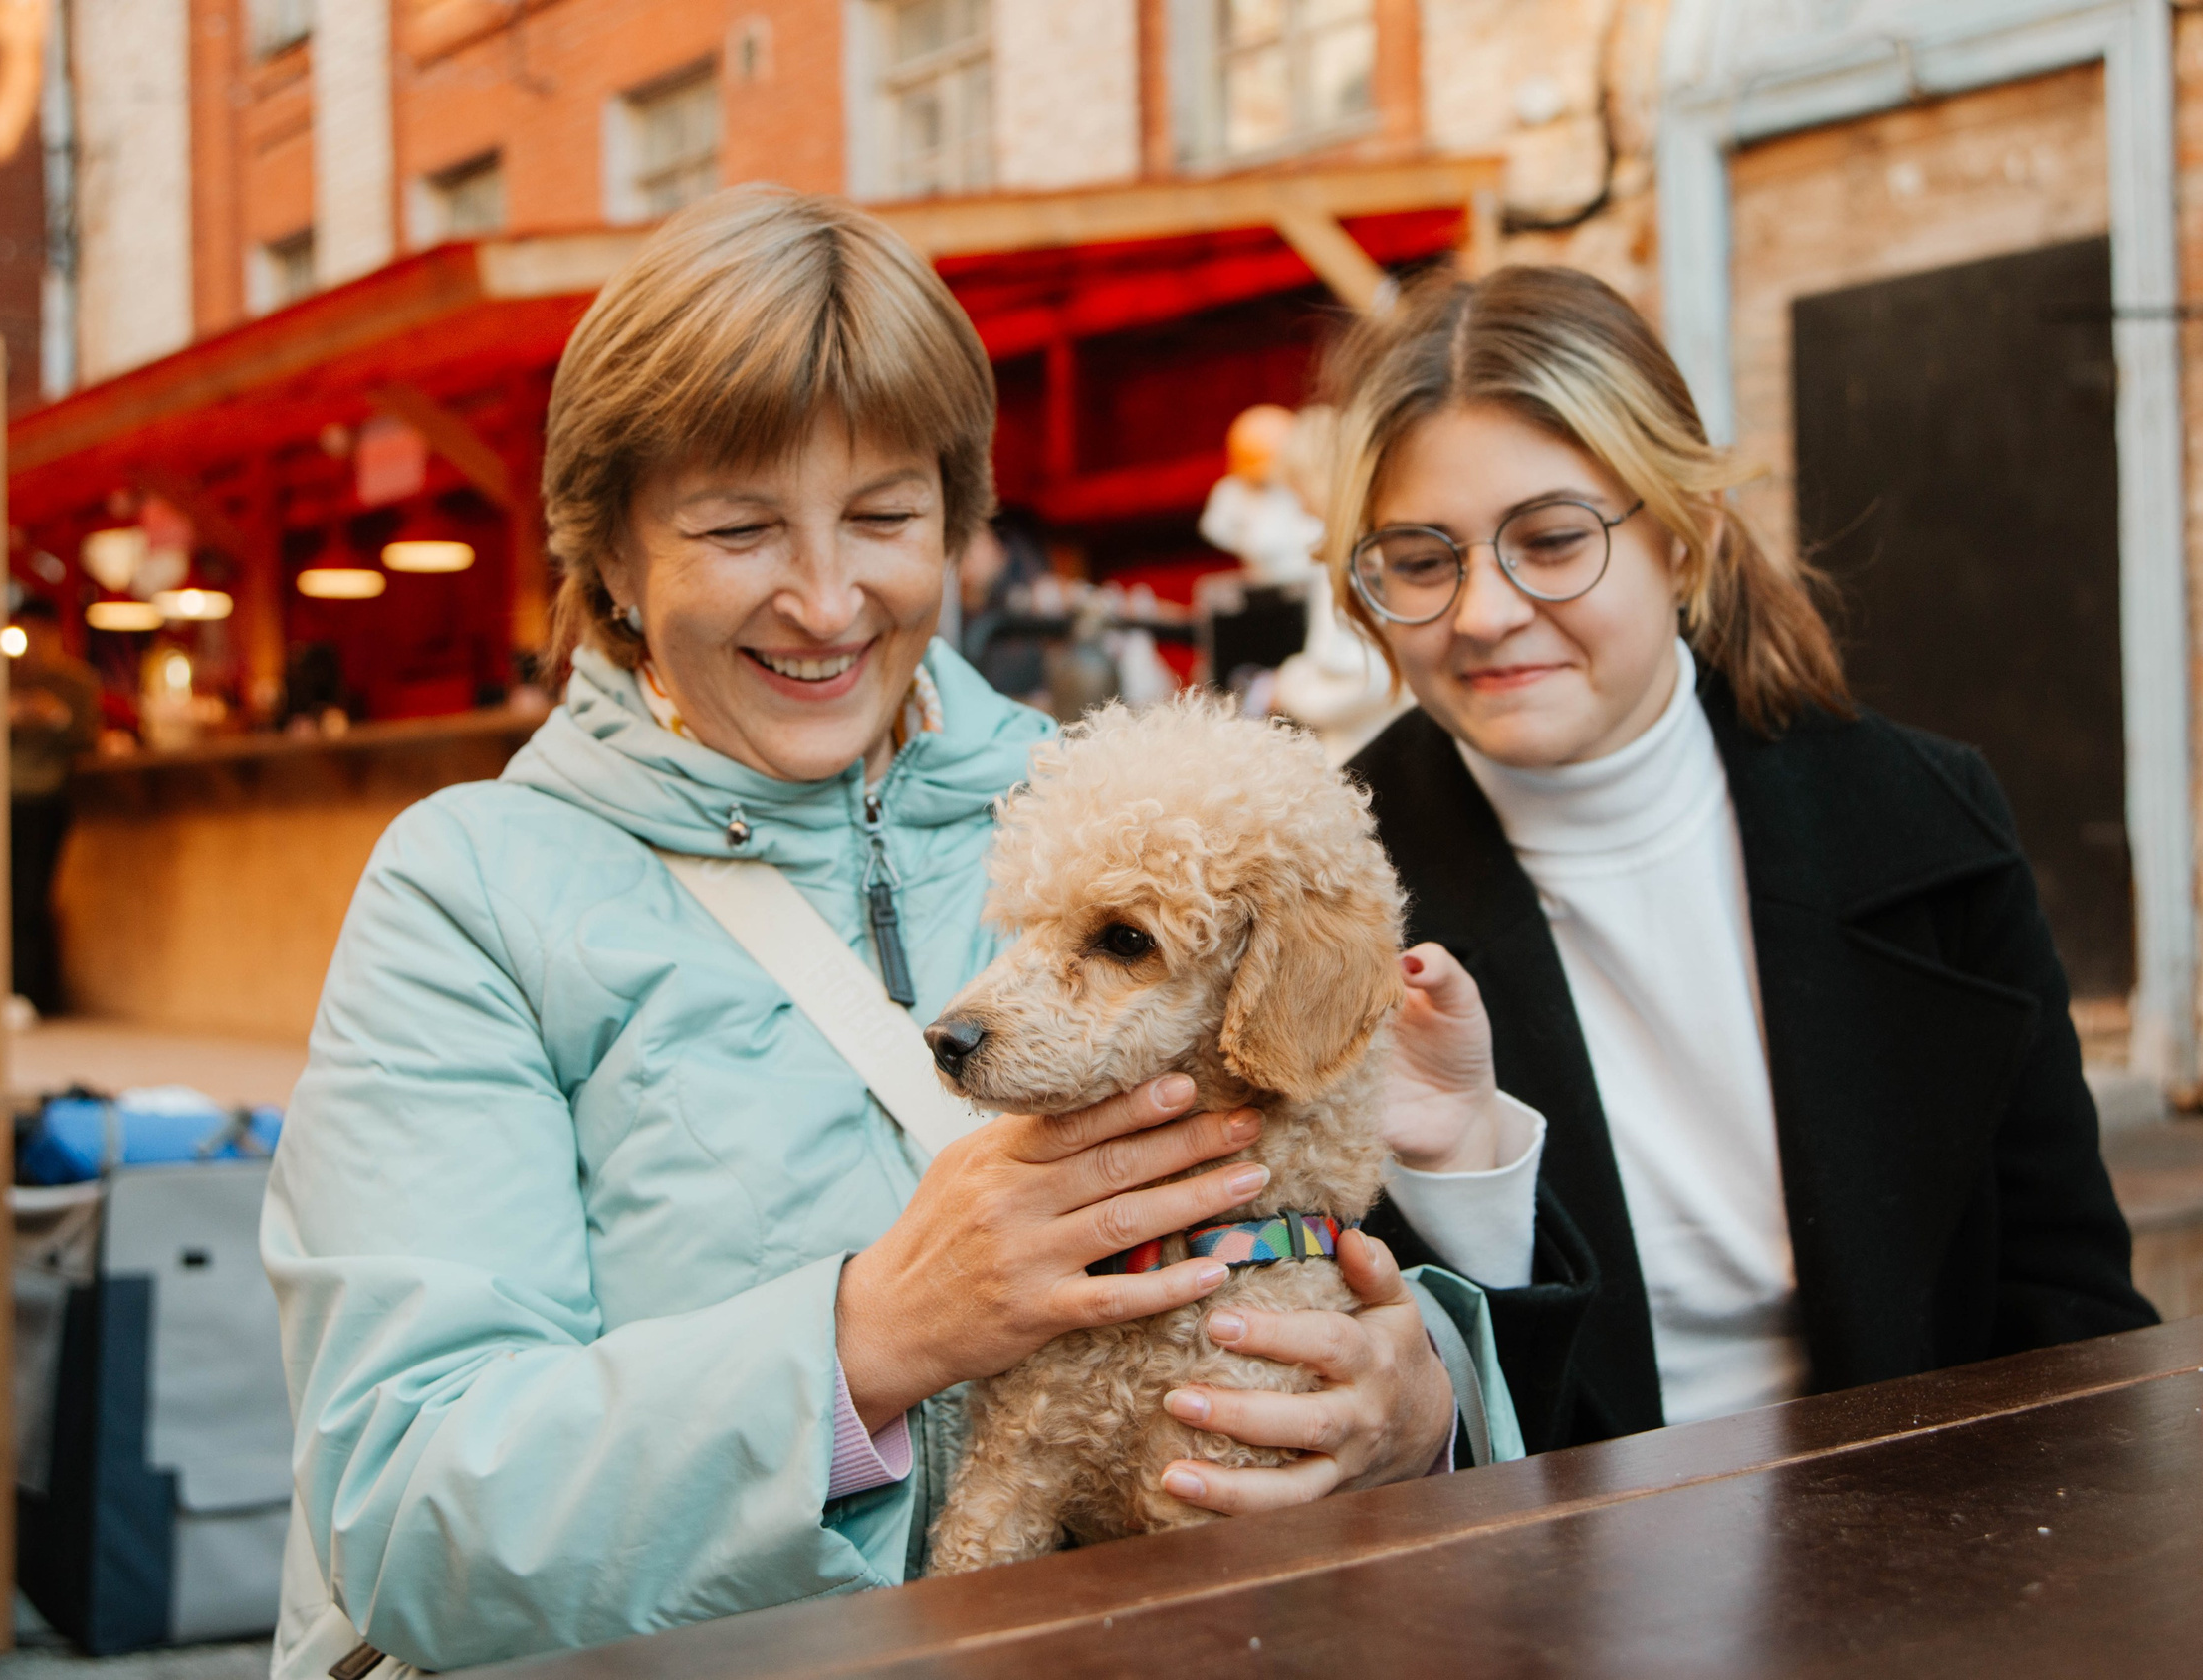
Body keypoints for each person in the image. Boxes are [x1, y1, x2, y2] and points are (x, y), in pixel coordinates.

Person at [261, 186, 1498, 1675]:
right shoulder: (469, 892)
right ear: (612, 556)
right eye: (738, 526)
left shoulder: (1117, 816)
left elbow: (1310, 1223)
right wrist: (867, 1337)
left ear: (958, 526)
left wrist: (1422, 1402)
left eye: (885, 515)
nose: (827, 597)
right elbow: (405, 1511)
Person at [1331, 266, 2156, 1453]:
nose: (1483, 612)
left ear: (1684, 534)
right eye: (1421, 560)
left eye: (1552, 540)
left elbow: (2071, 1310)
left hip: (1936, 1526)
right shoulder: (1328, 899)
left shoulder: (1922, 819)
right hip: (1550, 1554)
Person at [6, 595, 102, 1015]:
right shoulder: (7, 679)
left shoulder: (75, 682)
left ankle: (31, 994)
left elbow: (87, 738)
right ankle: (9, 990)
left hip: (45, 797)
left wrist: (54, 716)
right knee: (5, 896)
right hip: (2, 798)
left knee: (32, 896)